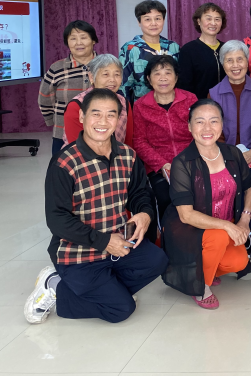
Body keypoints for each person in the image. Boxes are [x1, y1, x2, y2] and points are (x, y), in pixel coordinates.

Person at [25, 88, 168, 325]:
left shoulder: (128, 156)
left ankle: (107, 290)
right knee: (121, 309)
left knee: (157, 261)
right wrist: (104, 242)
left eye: (111, 115)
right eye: (96, 114)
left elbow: (139, 193)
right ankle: (55, 286)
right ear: (82, 117)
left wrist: (144, 213)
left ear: (119, 119)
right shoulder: (64, 162)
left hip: (118, 242)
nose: (103, 121)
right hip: (77, 251)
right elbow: (57, 219)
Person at [162, 99, 251, 309]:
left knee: (239, 262)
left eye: (213, 121)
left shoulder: (232, 154)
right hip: (189, 229)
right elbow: (186, 215)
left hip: (224, 227)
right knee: (219, 236)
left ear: (222, 125)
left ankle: (204, 270)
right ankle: (200, 286)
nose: (207, 128)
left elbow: (250, 186)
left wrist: (244, 219)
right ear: (189, 126)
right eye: (200, 122)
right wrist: (227, 226)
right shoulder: (182, 163)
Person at [133, 55, 197, 231]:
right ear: (149, 79)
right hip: (159, 167)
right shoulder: (140, 106)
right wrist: (162, 164)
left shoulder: (190, 99)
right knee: (165, 197)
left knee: (199, 194)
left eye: (168, 73)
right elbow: (139, 141)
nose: (163, 78)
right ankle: (168, 237)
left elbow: (199, 133)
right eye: (157, 73)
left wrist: (188, 160)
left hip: (191, 161)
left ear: (176, 77)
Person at [38, 20, 98, 155]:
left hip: (100, 132)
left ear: (93, 40)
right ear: (67, 43)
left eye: (83, 37)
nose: (78, 43)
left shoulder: (106, 65)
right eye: (73, 39)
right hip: (63, 131)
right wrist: (54, 121)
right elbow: (45, 99)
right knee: (62, 167)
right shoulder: (57, 68)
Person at [207, 40, 251, 176]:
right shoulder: (213, 94)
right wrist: (228, 153)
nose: (235, 65)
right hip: (224, 155)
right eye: (229, 60)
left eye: (240, 59)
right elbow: (212, 128)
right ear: (223, 64)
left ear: (247, 62)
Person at [63, 54, 133, 147]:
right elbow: (76, 145)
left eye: (117, 75)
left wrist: (124, 155)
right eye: (105, 74)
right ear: (92, 77)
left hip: (119, 155)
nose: (112, 80)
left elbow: (128, 141)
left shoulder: (124, 102)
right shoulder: (76, 105)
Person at [119, 0, 179, 105]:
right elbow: (124, 85)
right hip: (141, 107)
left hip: (172, 105)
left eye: (158, 18)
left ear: (164, 20)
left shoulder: (173, 47)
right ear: (139, 22)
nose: (153, 23)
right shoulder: (130, 48)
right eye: (147, 19)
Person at [177, 2, 227, 99]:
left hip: (227, 103)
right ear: (199, 21)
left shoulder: (227, 48)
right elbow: (184, 85)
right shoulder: (188, 50)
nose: (213, 23)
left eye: (217, 19)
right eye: (208, 19)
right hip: (199, 104)